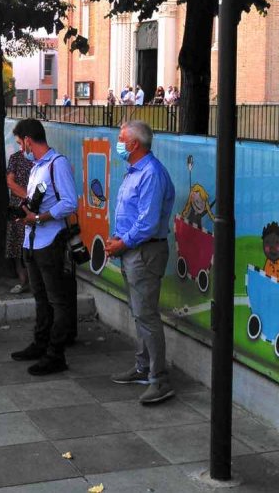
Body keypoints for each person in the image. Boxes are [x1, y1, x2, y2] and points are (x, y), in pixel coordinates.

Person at [106, 120, 176, 404]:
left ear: (134, 144)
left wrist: (122, 243)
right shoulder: (134, 171)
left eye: (122, 139)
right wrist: (117, 241)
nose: (118, 143)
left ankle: (158, 380)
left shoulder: (151, 174)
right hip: (132, 250)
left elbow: (146, 223)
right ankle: (143, 367)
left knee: (146, 315)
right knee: (139, 313)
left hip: (144, 252)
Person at [10, 118, 78, 376]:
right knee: (40, 297)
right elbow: (37, 199)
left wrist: (39, 218)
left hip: (50, 241)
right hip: (32, 240)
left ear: (28, 139)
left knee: (56, 300)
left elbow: (70, 203)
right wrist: (26, 212)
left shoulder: (56, 164)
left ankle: (55, 353)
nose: (20, 148)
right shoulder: (37, 166)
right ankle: (40, 343)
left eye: (20, 143)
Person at [5, 146, 34, 294]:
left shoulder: (41, 159)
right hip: (17, 207)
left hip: (34, 209)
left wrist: (33, 202)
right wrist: (27, 198)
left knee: (30, 248)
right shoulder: (15, 158)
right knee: (16, 246)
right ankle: (23, 281)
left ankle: (33, 282)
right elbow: (10, 182)